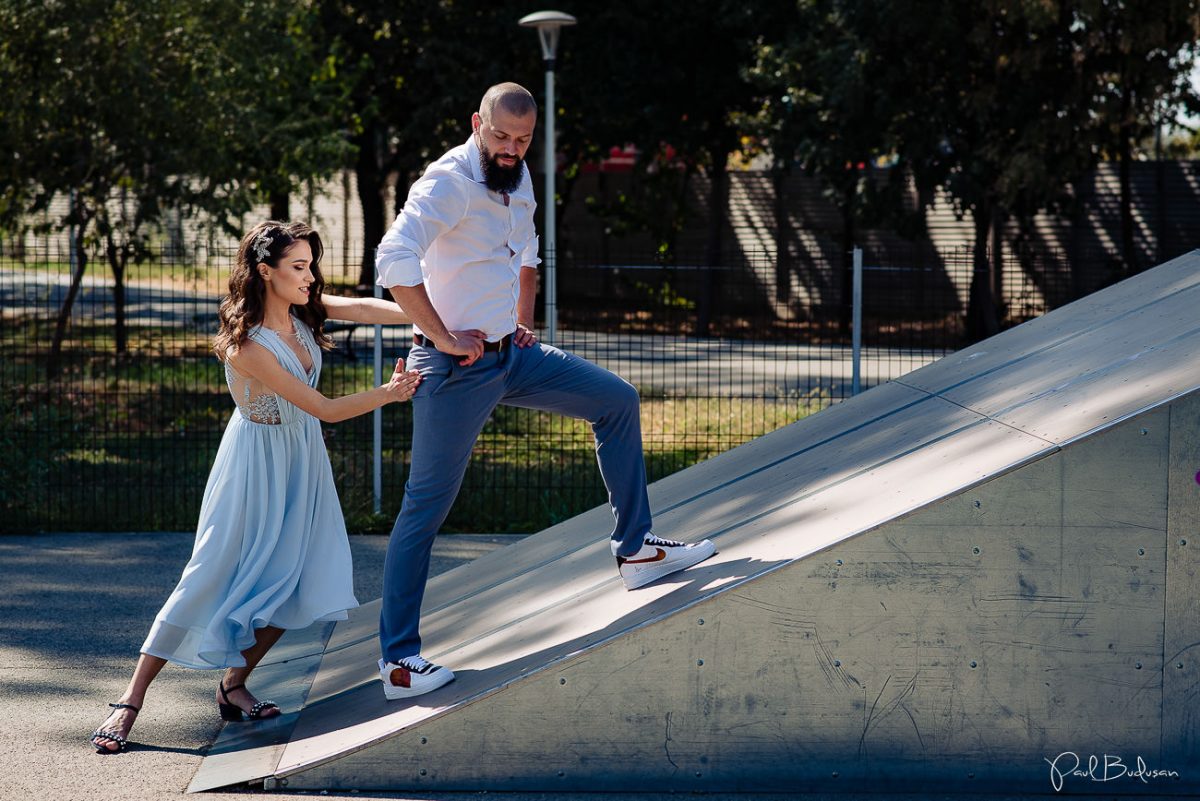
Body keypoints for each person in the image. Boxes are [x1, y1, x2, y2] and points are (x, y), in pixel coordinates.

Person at [373, 82, 715, 700]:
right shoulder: (448, 181)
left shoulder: (518, 176)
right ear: (477, 122)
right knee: (423, 509)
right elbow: (394, 258)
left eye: (522, 140)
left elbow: (523, 252)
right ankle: (399, 661)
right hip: (455, 368)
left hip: (513, 356)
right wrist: (443, 336)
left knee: (616, 400)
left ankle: (635, 550)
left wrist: (520, 316)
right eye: (500, 136)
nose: (509, 149)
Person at [90, 221, 425, 753]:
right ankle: (130, 701)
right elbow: (327, 410)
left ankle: (232, 686)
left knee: (299, 581)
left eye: (312, 265)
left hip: (301, 459)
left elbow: (365, 308)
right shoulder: (247, 346)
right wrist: (390, 393)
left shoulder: (305, 310)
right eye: (299, 267)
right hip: (255, 465)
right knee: (209, 576)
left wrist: (435, 313)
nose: (311, 276)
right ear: (265, 272)